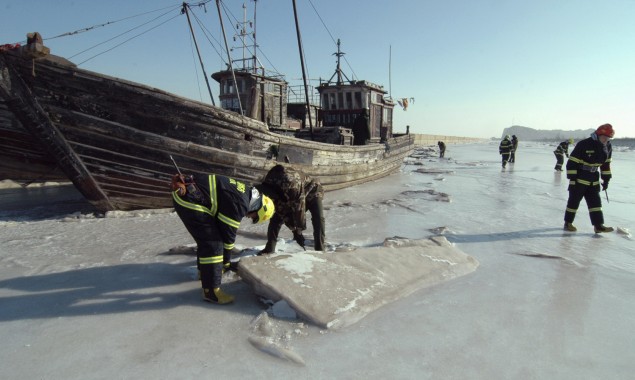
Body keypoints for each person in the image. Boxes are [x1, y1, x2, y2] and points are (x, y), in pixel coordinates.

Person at [171, 173, 275, 304]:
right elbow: (228, 237)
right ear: (259, 209)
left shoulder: (245, 193)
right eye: (254, 217)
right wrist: (225, 263)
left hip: (191, 194)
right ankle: (211, 292)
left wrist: (224, 262)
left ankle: (204, 273)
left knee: (208, 240)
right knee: (213, 244)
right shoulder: (241, 203)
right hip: (190, 200)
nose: (249, 217)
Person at [256, 164, 325, 253]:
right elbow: (282, 213)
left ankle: (320, 249)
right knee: (276, 218)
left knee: (318, 217)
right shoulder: (269, 181)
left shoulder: (291, 185)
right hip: (286, 193)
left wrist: (298, 231)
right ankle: (270, 248)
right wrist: (293, 230)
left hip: (313, 189)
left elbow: (299, 209)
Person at [563, 124, 614, 233]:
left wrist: (606, 180)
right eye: (604, 137)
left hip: (594, 179)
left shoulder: (608, 146)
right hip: (579, 178)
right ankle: (568, 223)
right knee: (573, 202)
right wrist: (572, 179)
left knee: (595, 203)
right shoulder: (584, 144)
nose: (606, 140)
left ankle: (598, 226)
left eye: (608, 138)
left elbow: (606, 165)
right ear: (598, 135)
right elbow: (572, 162)